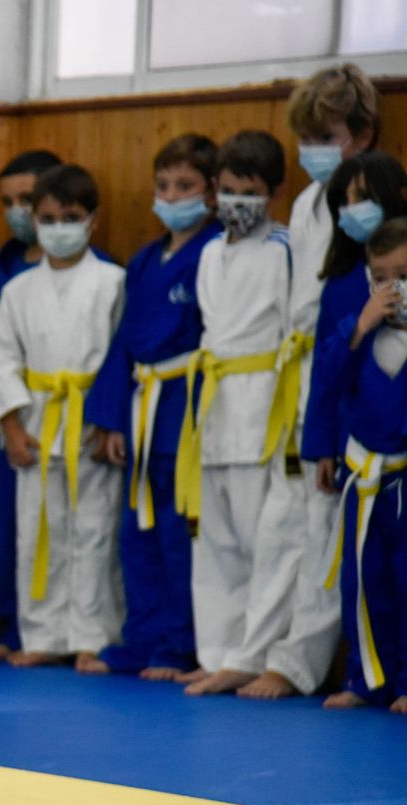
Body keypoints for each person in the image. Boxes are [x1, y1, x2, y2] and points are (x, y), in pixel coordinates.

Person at [239, 65, 383, 700]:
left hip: (350, 367)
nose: (313, 152)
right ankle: (252, 650)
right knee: (278, 525)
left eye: (326, 136)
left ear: (362, 133)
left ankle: (299, 663)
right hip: (297, 371)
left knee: (326, 525)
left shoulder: (374, 204)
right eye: (307, 139)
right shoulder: (303, 202)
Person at [251, 151, 407, 699]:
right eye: (343, 199)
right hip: (354, 454)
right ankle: (364, 680)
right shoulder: (345, 287)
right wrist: (320, 446)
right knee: (358, 579)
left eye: (362, 195)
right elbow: (326, 373)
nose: (351, 207)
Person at [85, 135, 221, 680]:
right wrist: (112, 417)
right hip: (142, 402)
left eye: (184, 186)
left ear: (211, 193)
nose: (171, 196)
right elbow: (123, 341)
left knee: (176, 531)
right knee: (135, 530)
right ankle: (140, 639)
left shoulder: (212, 253)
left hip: (183, 406)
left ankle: (177, 643)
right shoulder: (144, 261)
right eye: (163, 186)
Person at [174, 131, 303, 696]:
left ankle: (256, 654)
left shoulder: (285, 248)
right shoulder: (207, 253)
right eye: (227, 191)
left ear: (274, 192)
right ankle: (218, 651)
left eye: (249, 192)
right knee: (214, 540)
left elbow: (293, 333)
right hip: (213, 402)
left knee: (264, 540)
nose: (236, 203)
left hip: (263, 402)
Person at [0, 164, 126, 669]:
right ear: (34, 220)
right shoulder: (19, 288)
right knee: (38, 528)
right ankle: (41, 633)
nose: (58, 225)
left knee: (95, 530)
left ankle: (94, 636)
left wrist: (111, 422)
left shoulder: (114, 281)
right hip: (39, 421)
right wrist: (13, 426)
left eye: (70, 216)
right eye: (48, 217)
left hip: (90, 421)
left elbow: (121, 357)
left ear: (92, 220)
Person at [310, 216, 407, 714]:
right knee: (364, 582)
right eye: (381, 276)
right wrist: (360, 326)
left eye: (404, 274)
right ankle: (366, 678)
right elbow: (324, 383)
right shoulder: (358, 333)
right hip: (365, 474)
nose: (393, 288)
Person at [0, 149, 62, 662]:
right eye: (7, 202)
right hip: (12, 410)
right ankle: (15, 628)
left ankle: (66, 633)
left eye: (26, 200)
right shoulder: (3, 266)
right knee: (8, 529)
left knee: (72, 528)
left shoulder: (102, 271)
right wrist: (6, 418)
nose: (17, 211)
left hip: (65, 410)